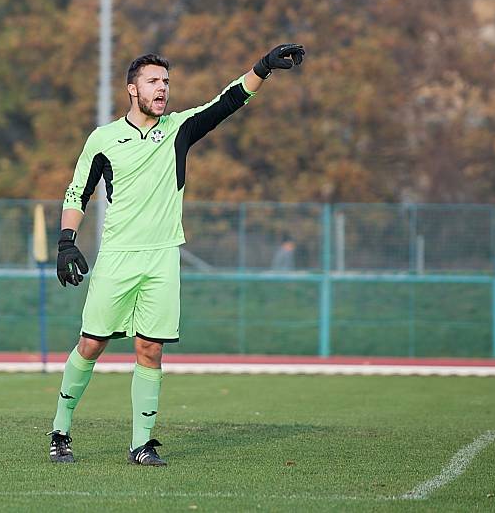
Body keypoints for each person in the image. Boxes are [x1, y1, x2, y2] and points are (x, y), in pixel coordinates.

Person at [48, 43, 306, 465]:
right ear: (133, 89)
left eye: (166, 82)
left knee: (151, 349)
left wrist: (262, 68)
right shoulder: (104, 139)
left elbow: (228, 102)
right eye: (153, 81)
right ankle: (60, 432)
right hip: (117, 257)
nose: (162, 88)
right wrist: (65, 240)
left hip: (163, 257)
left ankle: (141, 444)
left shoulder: (179, 128)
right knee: (91, 344)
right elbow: (79, 191)